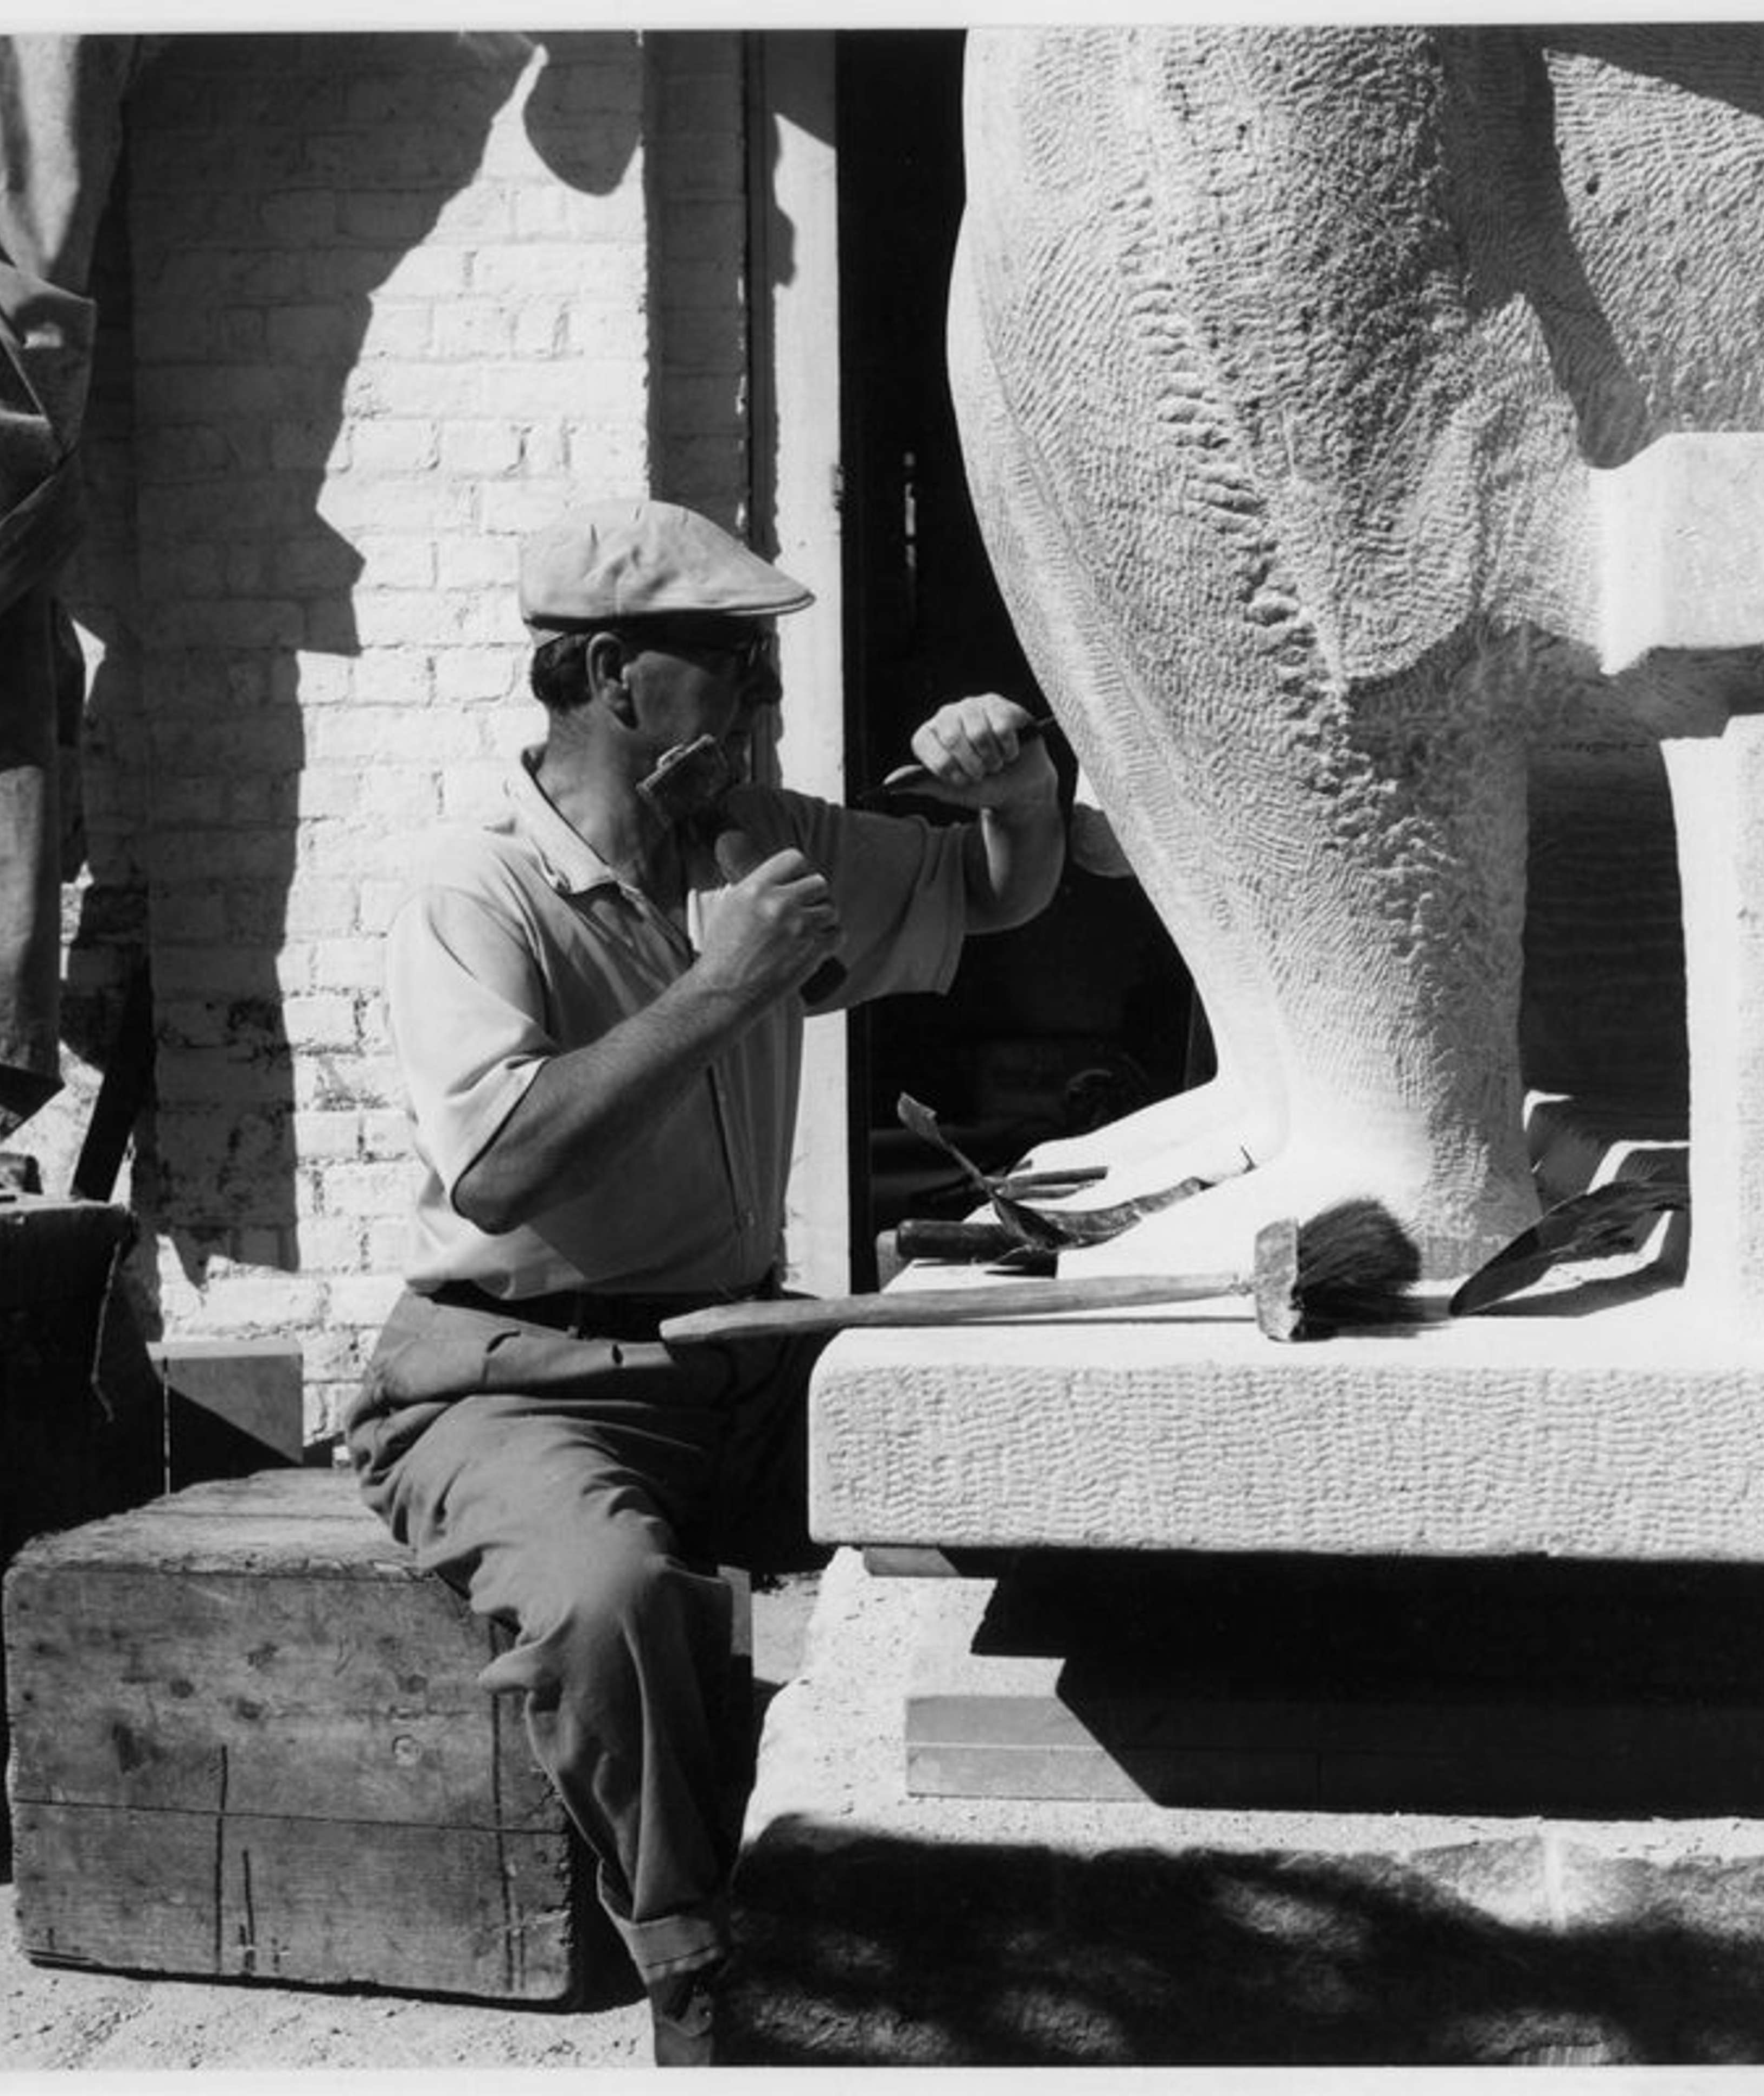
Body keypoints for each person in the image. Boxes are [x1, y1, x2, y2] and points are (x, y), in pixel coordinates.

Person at [346, 496, 1062, 2064]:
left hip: (732, 1354)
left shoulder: (760, 839)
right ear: (612, 674)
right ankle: (701, 1973)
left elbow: (997, 895)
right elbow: (508, 1165)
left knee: (1000, 1449)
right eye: (732, 664)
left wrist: (1020, 791)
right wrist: (725, 981)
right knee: (610, 1603)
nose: (763, 700)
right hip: (514, 1384)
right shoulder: (478, 891)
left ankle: (993, 1892)